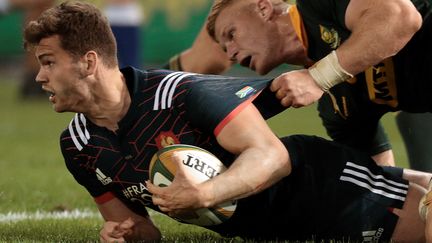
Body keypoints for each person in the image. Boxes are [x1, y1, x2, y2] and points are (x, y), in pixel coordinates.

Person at [24, 1, 431, 242]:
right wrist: (127, 233)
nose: (230, 55)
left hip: (315, 188)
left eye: (232, 34)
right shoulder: (78, 145)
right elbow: (380, 176)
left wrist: (206, 194)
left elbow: (273, 157)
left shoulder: (183, 92)